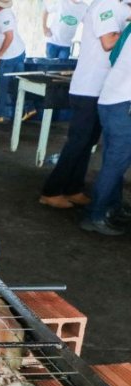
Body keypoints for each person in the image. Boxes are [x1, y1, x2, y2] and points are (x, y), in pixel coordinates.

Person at [39, 0, 130, 209]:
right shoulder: (104, 7)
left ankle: (73, 188)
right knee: (78, 141)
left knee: (88, 142)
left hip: (103, 90)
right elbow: (108, 41)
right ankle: (51, 191)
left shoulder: (122, 9)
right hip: (88, 87)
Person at [80, 23, 131, 235]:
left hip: (109, 99)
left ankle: (112, 207)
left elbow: (113, 58)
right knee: (116, 163)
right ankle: (95, 215)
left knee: (113, 160)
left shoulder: (128, 29)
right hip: (124, 104)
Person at [0, 0, 26, 124]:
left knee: (3, 85)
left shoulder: (4, 15)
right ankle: (26, 109)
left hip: (9, 55)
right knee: (17, 84)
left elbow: (9, 37)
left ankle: (0, 114)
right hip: (17, 51)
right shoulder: (0, 13)